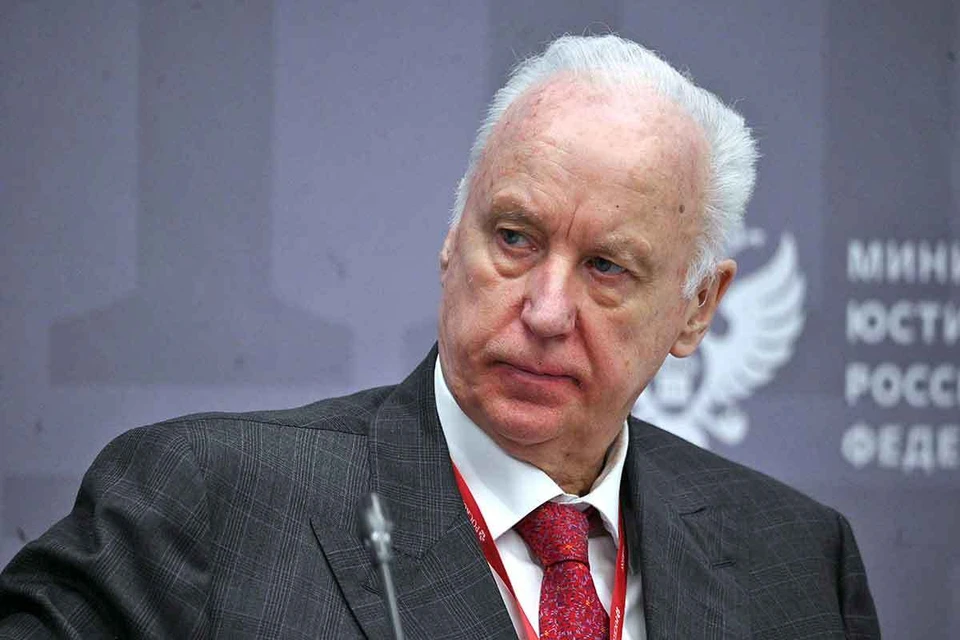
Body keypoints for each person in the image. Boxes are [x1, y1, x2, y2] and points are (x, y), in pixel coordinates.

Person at [0, 35, 879, 639]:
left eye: (607, 266)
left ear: (697, 308)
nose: (545, 311)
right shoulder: (210, 504)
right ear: (453, 239)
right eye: (515, 238)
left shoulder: (798, 561)